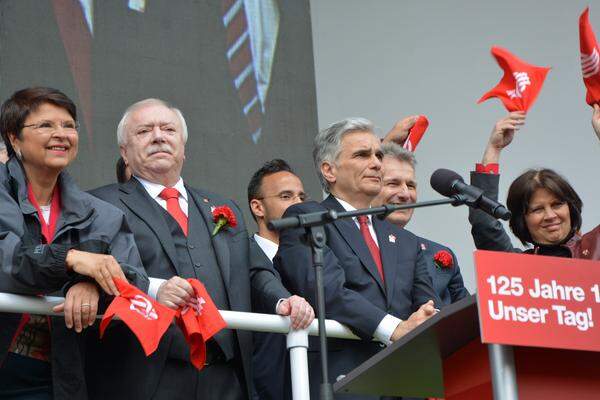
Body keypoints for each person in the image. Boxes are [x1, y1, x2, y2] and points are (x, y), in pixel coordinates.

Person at [89, 98, 312, 400]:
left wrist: (281, 301)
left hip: (225, 376)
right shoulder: (101, 204)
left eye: (168, 129)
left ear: (183, 148)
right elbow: (98, 269)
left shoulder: (220, 206)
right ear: (124, 152)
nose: (158, 136)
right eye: (144, 131)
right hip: (149, 375)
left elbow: (254, 270)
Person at [274, 117, 441, 399]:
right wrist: (394, 328)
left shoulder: (406, 240)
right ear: (329, 170)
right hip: (343, 381)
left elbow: (425, 301)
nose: (377, 163)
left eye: (378, 154)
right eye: (363, 154)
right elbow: (327, 291)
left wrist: (424, 316)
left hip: (406, 383)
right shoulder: (307, 218)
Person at [0, 87, 148, 399]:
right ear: (14, 138)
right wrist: (72, 259)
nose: (61, 134)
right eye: (45, 125)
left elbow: (135, 281)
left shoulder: (101, 213)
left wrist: (90, 283)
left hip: (59, 375)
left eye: (68, 125)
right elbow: (9, 262)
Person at [469, 109, 600, 260]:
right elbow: (485, 226)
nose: (550, 216)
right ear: (522, 220)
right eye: (538, 209)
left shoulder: (595, 247)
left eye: (557, 204)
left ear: (571, 208)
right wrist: (494, 149)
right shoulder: (518, 267)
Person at [247, 159, 314, 400]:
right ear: (258, 207)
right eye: (286, 196)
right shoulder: (239, 255)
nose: (298, 204)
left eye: (301, 197)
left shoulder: (318, 258)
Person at [372, 139, 469, 305]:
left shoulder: (440, 252)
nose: (405, 194)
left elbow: (470, 315)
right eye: (393, 183)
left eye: (410, 185)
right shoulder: (356, 244)